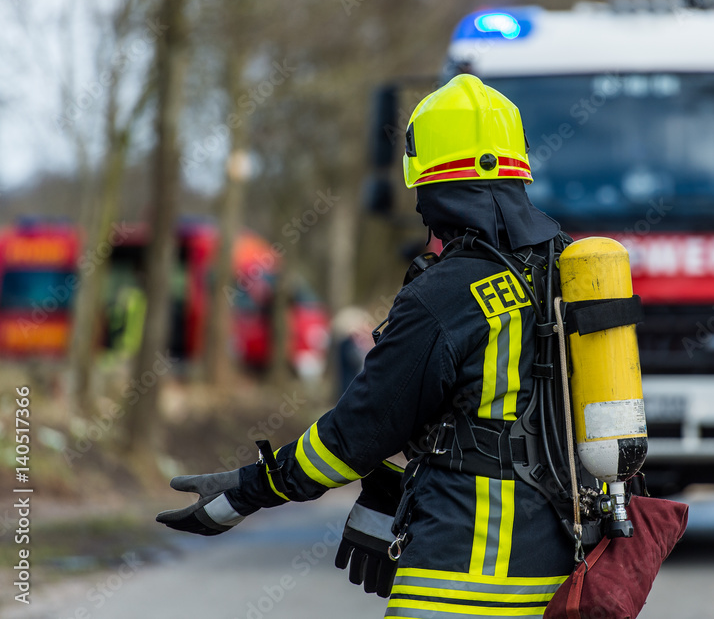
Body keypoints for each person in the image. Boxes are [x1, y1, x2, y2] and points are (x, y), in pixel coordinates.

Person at [157, 74, 579, 617]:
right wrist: (392, 489)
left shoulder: (444, 296)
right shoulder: (569, 272)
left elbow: (356, 433)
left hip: (459, 585)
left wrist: (248, 489)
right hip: (563, 576)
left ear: (427, 181)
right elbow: (519, 425)